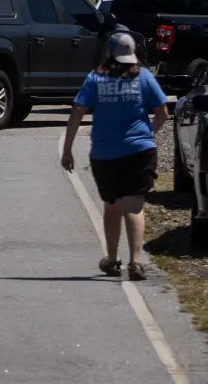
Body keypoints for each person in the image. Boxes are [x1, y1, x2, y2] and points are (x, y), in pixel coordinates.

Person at [62, 33, 168, 281]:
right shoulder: (144, 77)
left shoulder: (96, 78)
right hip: (140, 151)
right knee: (134, 206)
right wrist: (147, 134)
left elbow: (78, 109)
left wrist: (67, 149)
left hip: (105, 153)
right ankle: (136, 262)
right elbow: (162, 112)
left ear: (109, 53)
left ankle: (111, 259)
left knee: (112, 205)